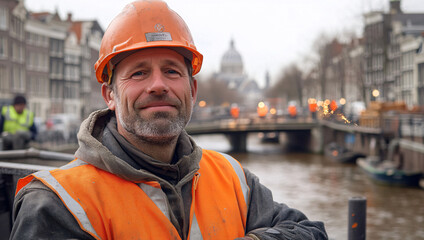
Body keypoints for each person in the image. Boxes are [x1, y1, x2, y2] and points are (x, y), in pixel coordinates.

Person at [11, 1, 328, 239]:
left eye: (172, 71)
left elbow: (310, 231)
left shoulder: (234, 180)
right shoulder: (57, 203)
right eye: (139, 73)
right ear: (109, 94)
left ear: (191, 89)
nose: (158, 85)